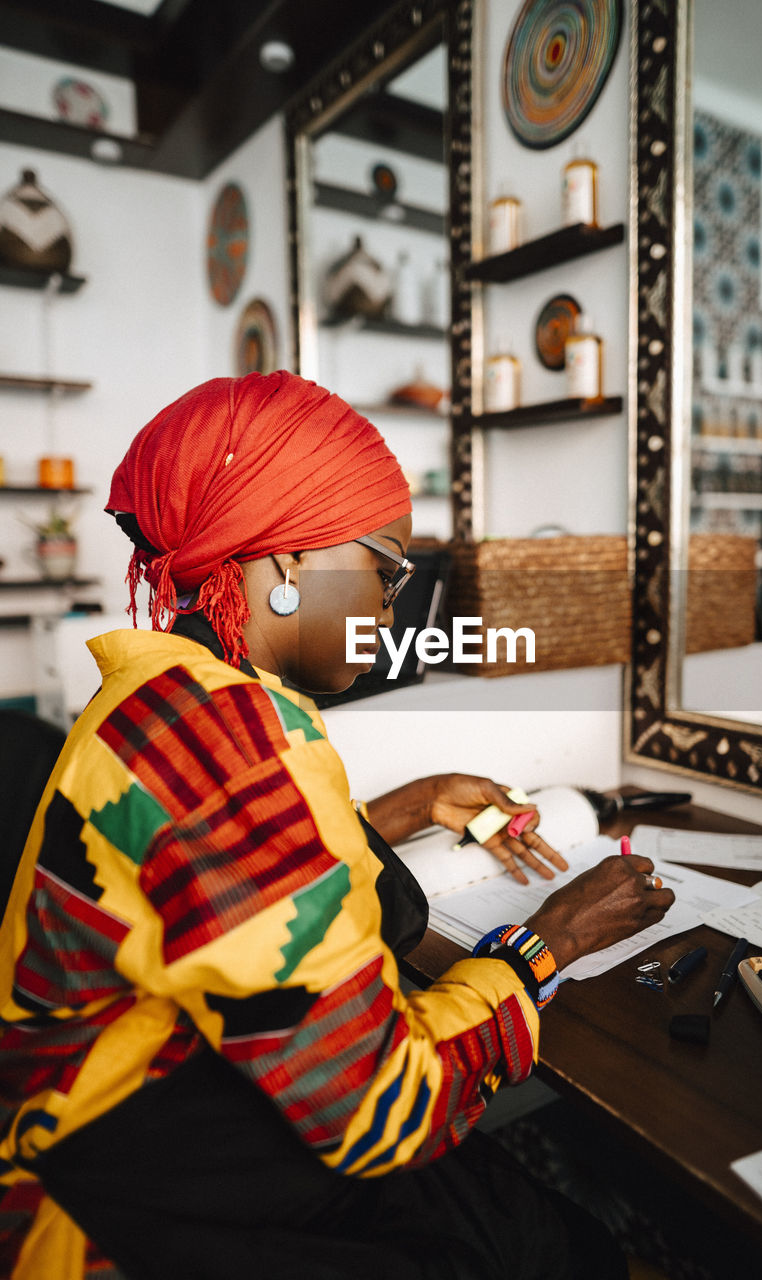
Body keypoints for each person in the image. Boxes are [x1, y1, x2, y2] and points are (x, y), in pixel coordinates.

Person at [0, 371, 674, 1280]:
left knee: (513, 1217)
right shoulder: (239, 740)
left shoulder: (159, 694)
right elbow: (377, 1112)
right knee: (552, 1248)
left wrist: (398, 809)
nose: (395, 602)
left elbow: (212, 873)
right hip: (128, 1213)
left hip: (137, 1128)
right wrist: (549, 940)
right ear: (285, 565)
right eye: (388, 566)